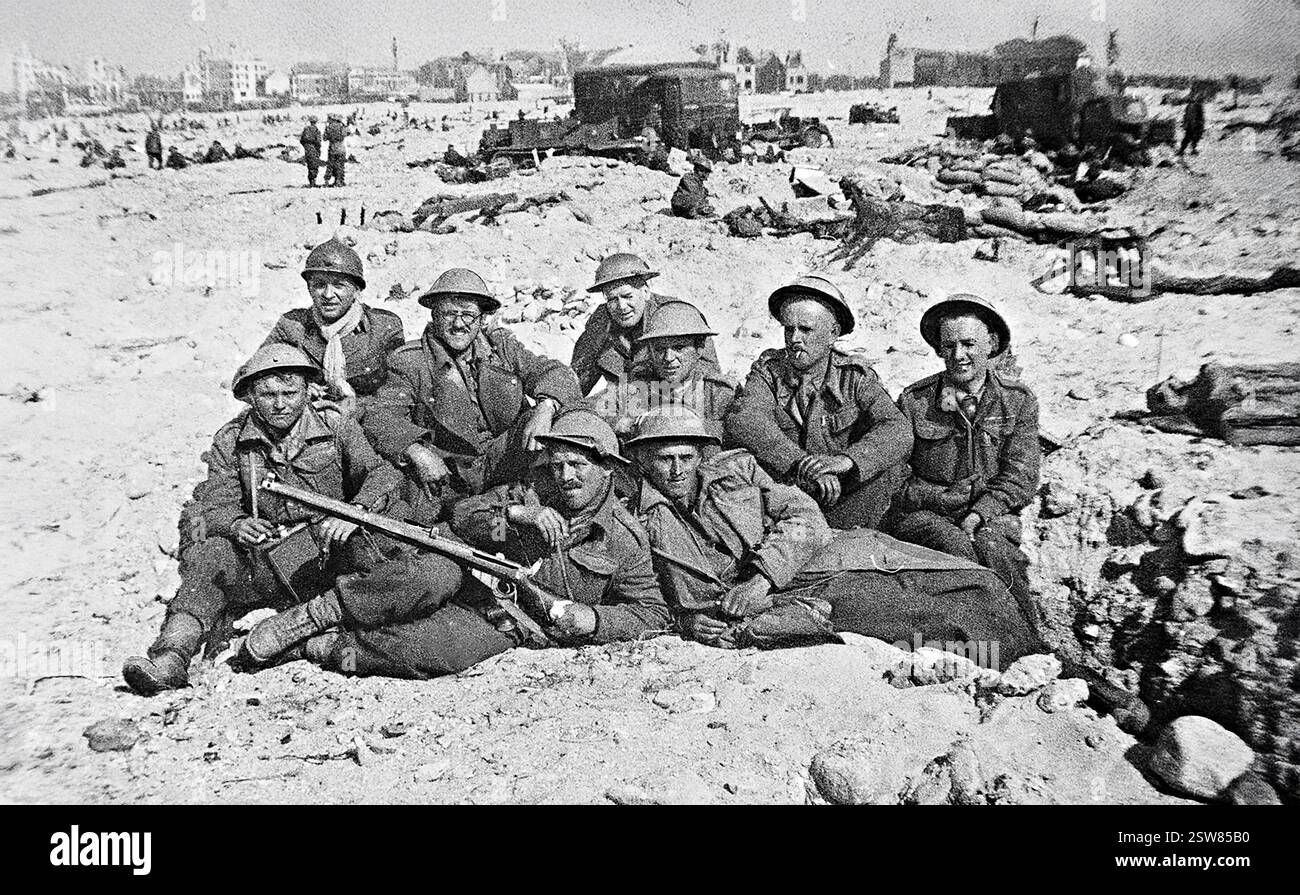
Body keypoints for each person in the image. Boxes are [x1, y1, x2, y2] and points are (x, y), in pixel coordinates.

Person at [120, 345, 458, 694]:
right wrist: (236, 524)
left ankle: (308, 629)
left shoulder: (335, 425)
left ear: (306, 391)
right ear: (250, 396)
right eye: (267, 394)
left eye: (289, 393)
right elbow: (209, 506)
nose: (280, 404)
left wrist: (354, 513)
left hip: (331, 552)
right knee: (211, 555)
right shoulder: (232, 441)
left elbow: (379, 475)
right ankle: (171, 657)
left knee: (398, 558)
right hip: (269, 559)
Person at [258, 409, 670, 679]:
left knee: (436, 652)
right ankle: (317, 613)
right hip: (468, 578)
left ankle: (324, 647)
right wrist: (513, 516)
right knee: (432, 572)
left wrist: (595, 620)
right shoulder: (531, 491)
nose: (566, 477)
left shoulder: (623, 537)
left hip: (513, 620)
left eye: (578, 465)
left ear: (606, 470)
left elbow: (652, 611)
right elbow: (463, 515)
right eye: (558, 464)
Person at [626, 408, 1039, 661]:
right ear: (643, 461)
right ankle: (1012, 670)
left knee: (976, 581)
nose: (678, 470)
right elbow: (642, 596)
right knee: (929, 617)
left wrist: (761, 577)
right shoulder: (637, 521)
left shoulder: (737, 472)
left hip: (822, 560)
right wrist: (689, 621)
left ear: (701, 455)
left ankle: (1041, 661)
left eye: (686, 457)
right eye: (665, 459)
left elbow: (804, 513)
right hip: (791, 600)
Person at [363, 268, 581, 523]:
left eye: (467, 314)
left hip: (507, 460)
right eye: (449, 314)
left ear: (480, 319)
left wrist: (546, 407)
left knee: (562, 417)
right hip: (453, 478)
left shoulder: (501, 348)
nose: (458, 324)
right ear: (434, 316)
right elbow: (380, 416)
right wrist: (417, 451)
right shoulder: (411, 362)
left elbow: (555, 372)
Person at [887, 294, 1039, 619]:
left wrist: (980, 513)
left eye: (969, 344)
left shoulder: (1017, 402)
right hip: (927, 516)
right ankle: (980, 644)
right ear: (940, 349)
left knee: (994, 547)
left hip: (992, 514)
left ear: (991, 343)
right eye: (949, 346)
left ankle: (1028, 638)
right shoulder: (915, 402)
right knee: (953, 546)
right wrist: (940, 499)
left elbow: (1020, 477)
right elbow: (895, 478)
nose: (959, 356)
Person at [725, 275, 911, 529]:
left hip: (846, 496)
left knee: (889, 470)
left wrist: (848, 461)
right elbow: (746, 420)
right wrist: (802, 463)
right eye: (789, 329)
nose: (794, 339)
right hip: (789, 493)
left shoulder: (854, 377)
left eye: (806, 330)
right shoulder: (769, 372)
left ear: (833, 334)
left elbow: (897, 429)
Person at [259, 239, 404, 418]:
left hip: (369, 420)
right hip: (305, 418)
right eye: (319, 285)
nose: (328, 295)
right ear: (309, 288)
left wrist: (355, 405)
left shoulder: (383, 327)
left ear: (357, 290)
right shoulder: (293, 326)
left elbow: (399, 392)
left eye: (339, 285)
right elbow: (251, 378)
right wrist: (297, 389)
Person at [570, 253, 720, 397]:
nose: (622, 306)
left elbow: (709, 377)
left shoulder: (677, 315)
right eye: (612, 299)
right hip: (622, 407)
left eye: (628, 296)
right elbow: (578, 377)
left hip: (671, 406)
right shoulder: (601, 322)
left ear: (646, 292)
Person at [592, 299, 735, 445]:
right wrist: (621, 422)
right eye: (660, 349)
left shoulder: (719, 393)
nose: (668, 358)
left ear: (699, 349)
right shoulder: (634, 388)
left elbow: (738, 437)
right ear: (650, 351)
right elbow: (584, 412)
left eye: (679, 348)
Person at [671, 153, 716, 218]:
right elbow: (694, 195)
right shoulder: (688, 178)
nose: (704, 174)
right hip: (680, 209)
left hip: (689, 208)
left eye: (706, 172)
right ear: (695, 169)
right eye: (701, 171)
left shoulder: (699, 183)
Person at [1178, 89, 1205, 156]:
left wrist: (1201, 124)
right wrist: (1185, 123)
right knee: (1187, 138)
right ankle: (1182, 150)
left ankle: (1192, 150)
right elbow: (1186, 115)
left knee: (1195, 138)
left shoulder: (1198, 106)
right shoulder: (1190, 106)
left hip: (1195, 125)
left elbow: (1201, 116)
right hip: (1190, 124)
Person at [323, 113, 346, 186]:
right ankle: (339, 181)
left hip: (332, 149)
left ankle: (327, 181)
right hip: (341, 149)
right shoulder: (341, 126)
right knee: (340, 166)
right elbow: (346, 133)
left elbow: (324, 138)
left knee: (331, 165)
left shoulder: (329, 127)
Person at [299, 115, 322, 186]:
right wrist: (318, 149)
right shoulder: (316, 130)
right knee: (314, 165)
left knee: (309, 165)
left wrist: (306, 146)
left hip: (307, 150)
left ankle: (311, 181)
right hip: (314, 149)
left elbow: (301, 140)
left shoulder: (306, 129)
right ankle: (313, 181)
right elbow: (318, 142)